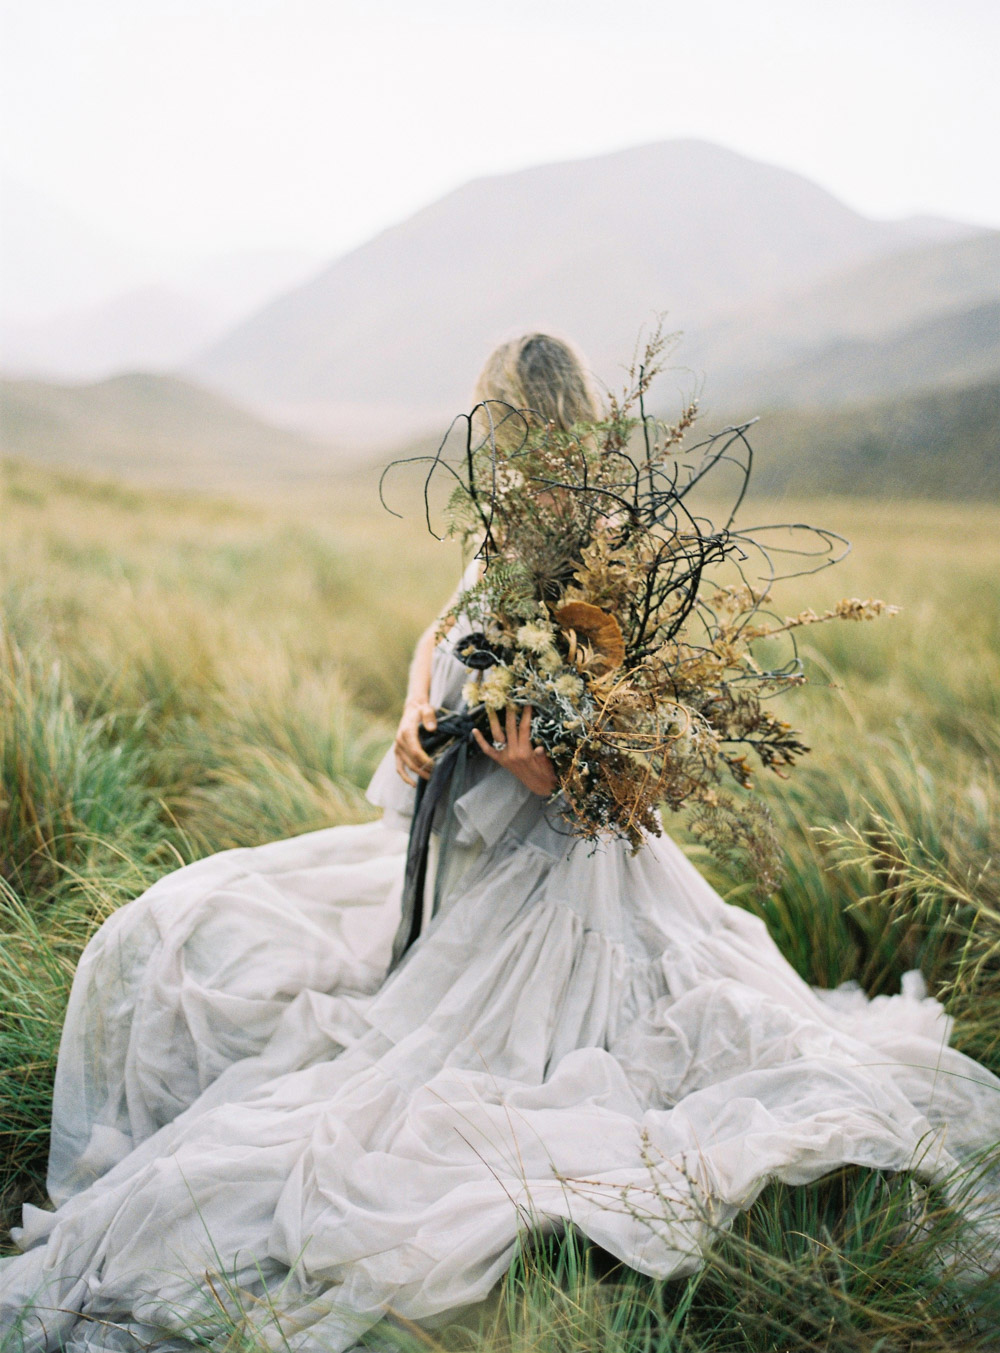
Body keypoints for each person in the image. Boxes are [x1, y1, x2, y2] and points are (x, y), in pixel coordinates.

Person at [2, 334, 999, 1352]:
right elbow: (439, 633)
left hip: (558, 873)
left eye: (506, 425)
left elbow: (631, 775)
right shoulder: (501, 516)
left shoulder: (614, 546)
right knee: (174, 927)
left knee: (417, 1099)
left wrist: (544, 772)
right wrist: (407, 710)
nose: (497, 444)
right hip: (455, 858)